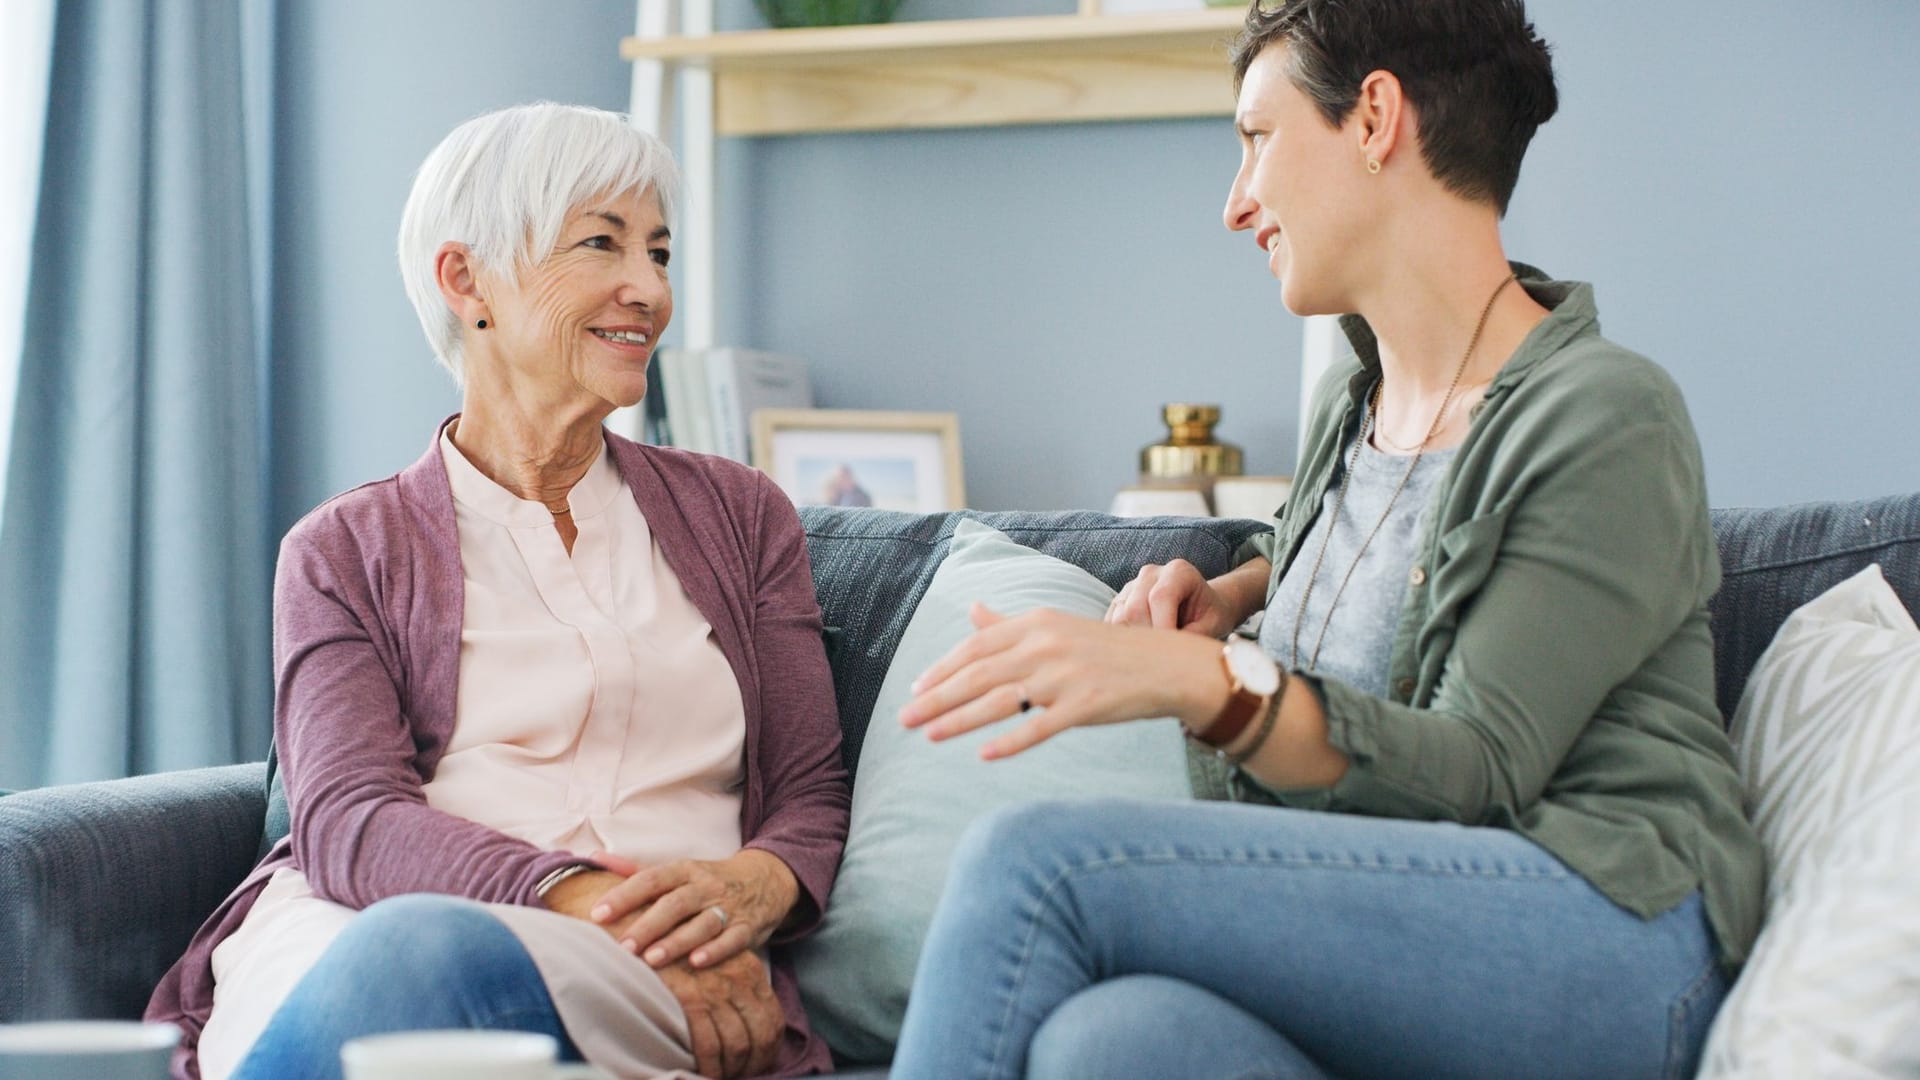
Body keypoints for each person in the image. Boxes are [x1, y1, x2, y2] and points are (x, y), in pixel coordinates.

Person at [888, 2, 1763, 1077]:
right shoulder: (1355, 402)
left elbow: (1476, 767)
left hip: (1608, 934)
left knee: (1034, 866)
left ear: (1375, 117)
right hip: (1409, 934)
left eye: (1257, 138)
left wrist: (1201, 679)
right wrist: (1245, 588)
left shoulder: (1605, 414)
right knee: (1110, 1046)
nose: (1235, 202)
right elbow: (1397, 553)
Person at [145, 103, 850, 1080]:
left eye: (660, 251)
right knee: (414, 958)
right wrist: (584, 902)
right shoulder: (345, 548)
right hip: (369, 922)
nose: (647, 287)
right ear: (465, 278)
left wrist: (748, 893)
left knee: (425, 970)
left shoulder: (742, 516)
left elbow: (811, 796)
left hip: (653, 966)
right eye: (601, 244)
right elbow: (348, 822)